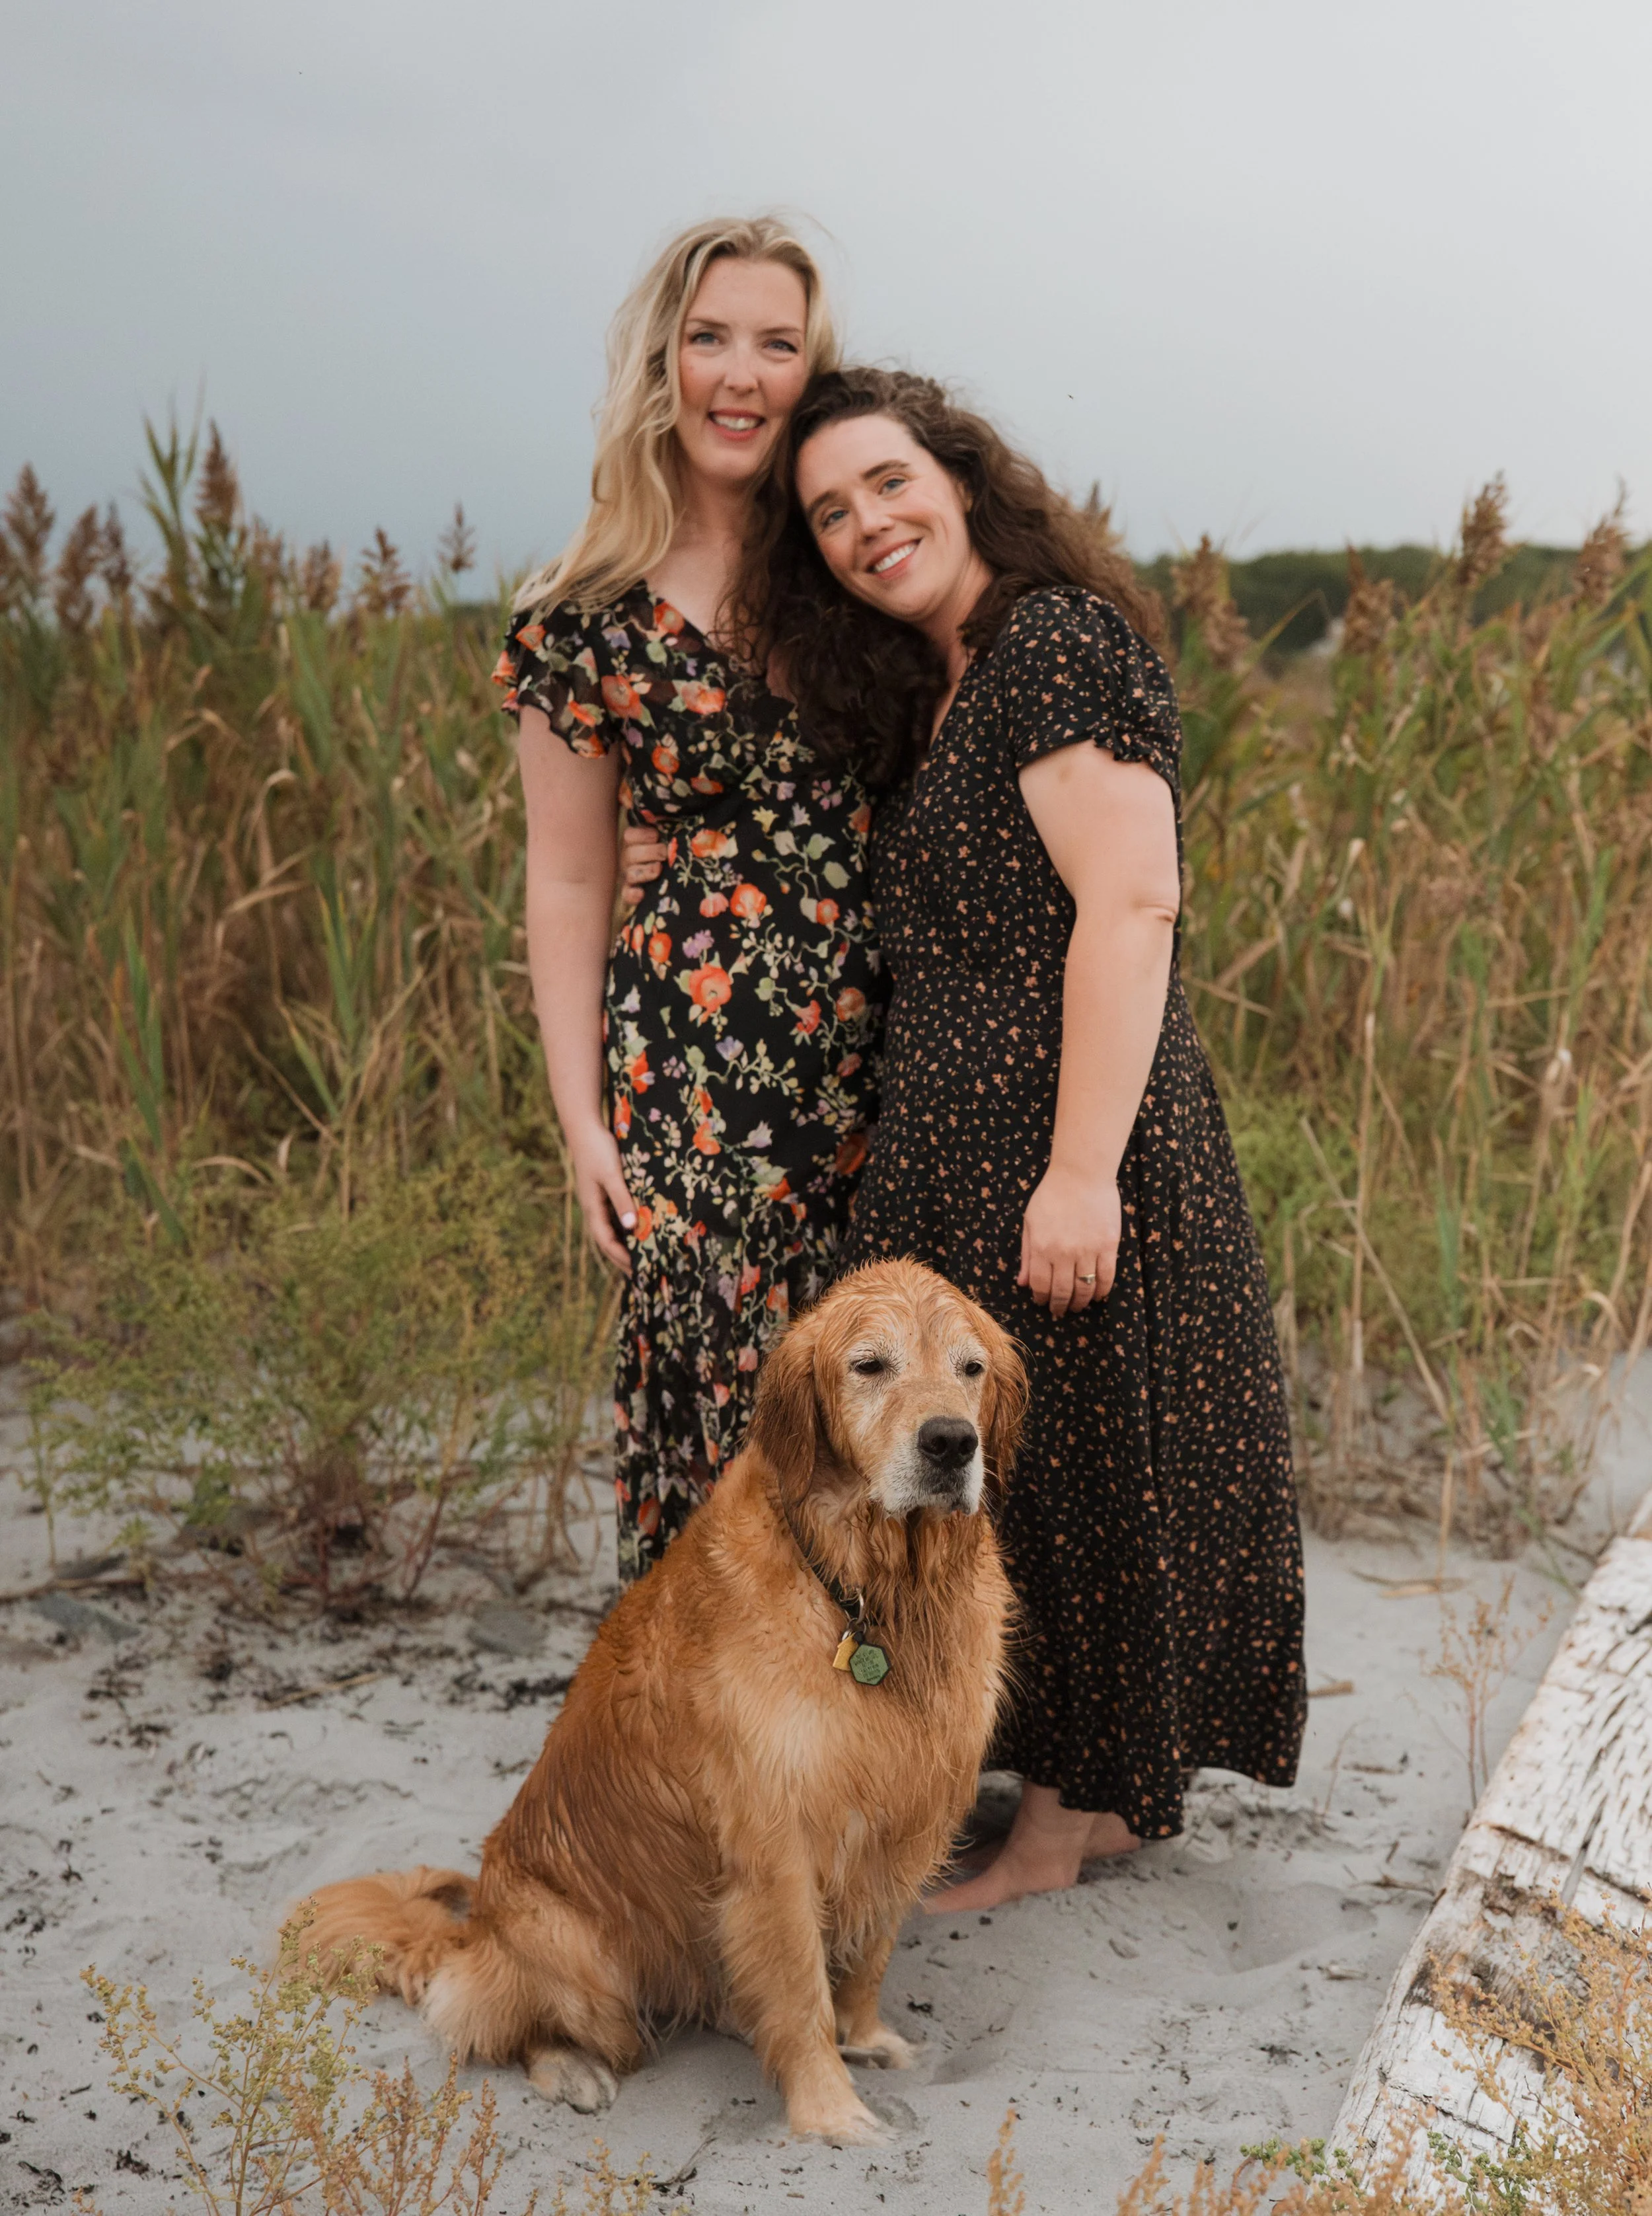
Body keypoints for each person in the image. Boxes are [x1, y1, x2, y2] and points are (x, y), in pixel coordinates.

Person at [766, 366, 1307, 1908]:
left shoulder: (1048, 644)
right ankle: (1067, 1787)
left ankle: (1070, 1822)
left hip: (1064, 1136)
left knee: (1076, 1471)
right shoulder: (940, 685)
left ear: (959, 476)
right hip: (963, 1146)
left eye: (887, 483)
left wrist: (1078, 1170)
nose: (867, 524)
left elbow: (1131, 901)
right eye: (829, 515)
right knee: (1026, 1468)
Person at [496, 221, 883, 1582]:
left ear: (808, 371)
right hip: (698, 1078)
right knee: (730, 1406)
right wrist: (580, 1118)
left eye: (777, 343)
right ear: (659, 361)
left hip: (891, 1055)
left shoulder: (857, 559)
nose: (741, 373)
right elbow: (565, 874)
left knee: (892, 1399)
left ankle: (885, 1746)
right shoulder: (583, 620)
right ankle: (726, 1757)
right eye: (709, 336)